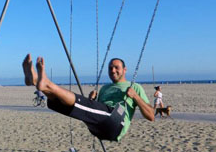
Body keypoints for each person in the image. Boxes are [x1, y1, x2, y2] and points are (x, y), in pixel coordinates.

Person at [22, 54, 154, 141]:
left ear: (125, 70)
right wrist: (92, 100)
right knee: (64, 105)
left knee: (79, 102)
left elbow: (151, 116)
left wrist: (135, 97)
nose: (113, 70)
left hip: (116, 123)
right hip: (98, 127)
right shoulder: (105, 88)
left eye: (116, 68)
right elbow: (94, 111)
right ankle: (37, 82)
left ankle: (46, 83)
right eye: (110, 68)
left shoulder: (135, 87)